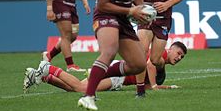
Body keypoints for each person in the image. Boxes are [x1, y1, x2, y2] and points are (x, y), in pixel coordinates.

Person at [77, 0, 151, 110]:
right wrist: (131, 11)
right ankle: (88, 96)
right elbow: (102, 4)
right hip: (105, 14)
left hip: (123, 17)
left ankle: (97, 72)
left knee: (138, 64)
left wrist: (142, 8)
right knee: (109, 50)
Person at [23, 41, 187, 93]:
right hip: (118, 76)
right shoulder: (161, 54)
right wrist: (157, 86)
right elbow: (149, 65)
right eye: (178, 53)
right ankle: (48, 68)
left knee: (74, 88)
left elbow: (149, 84)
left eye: (182, 56)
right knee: (81, 89)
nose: (179, 57)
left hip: (118, 71)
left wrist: (166, 86)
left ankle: (43, 76)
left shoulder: (162, 61)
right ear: (170, 48)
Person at [135, 0, 186, 96]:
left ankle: (161, 69)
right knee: (141, 53)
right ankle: (140, 90)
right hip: (145, 18)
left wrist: (167, 4)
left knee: (156, 60)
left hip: (163, 19)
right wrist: (136, 7)